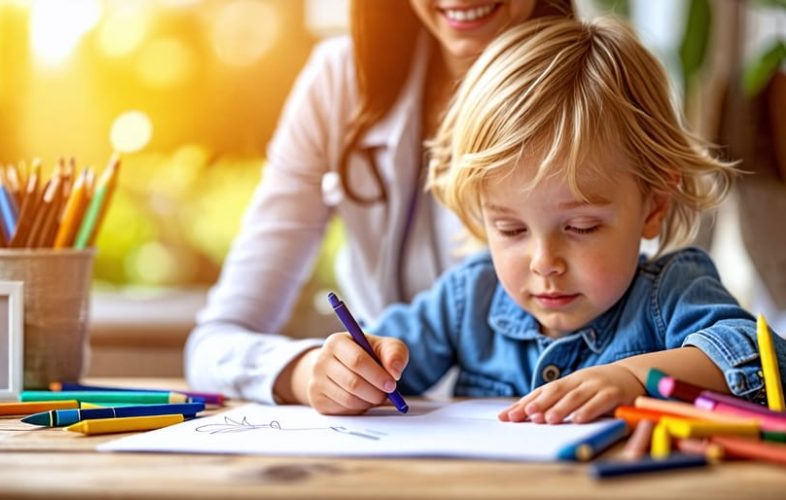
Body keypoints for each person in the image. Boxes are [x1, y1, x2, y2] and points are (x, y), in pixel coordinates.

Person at [279, 16, 786, 422]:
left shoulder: (671, 293)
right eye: (511, 230)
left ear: (653, 205)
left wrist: (635, 379)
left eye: (581, 228)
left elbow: (763, 360)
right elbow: (379, 357)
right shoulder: (468, 299)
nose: (545, 262)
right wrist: (342, 372)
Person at [185, 0, 576, 402]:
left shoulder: (594, 93)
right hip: (384, 429)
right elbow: (213, 344)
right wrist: (308, 372)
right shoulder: (339, 80)